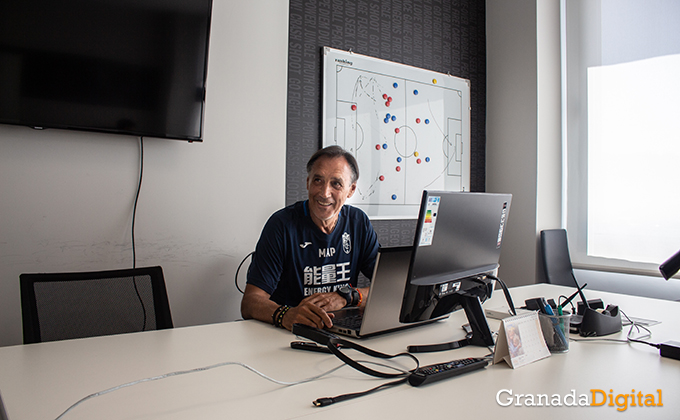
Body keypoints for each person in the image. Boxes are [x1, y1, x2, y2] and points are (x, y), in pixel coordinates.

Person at [241, 145, 379, 331]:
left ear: (351, 190)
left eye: (336, 184)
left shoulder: (358, 222)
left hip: (340, 330)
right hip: (287, 333)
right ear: (307, 183)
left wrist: (348, 296)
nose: (324, 193)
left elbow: (388, 286)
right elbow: (250, 302)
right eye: (318, 180)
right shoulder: (281, 225)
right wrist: (286, 314)